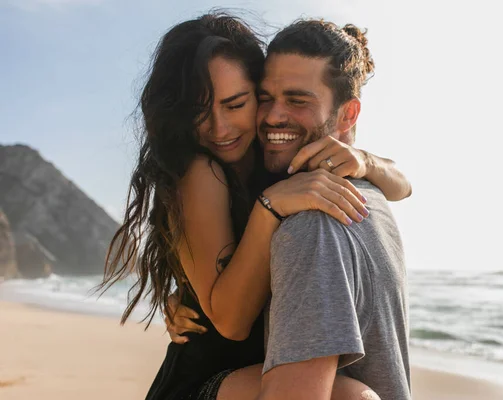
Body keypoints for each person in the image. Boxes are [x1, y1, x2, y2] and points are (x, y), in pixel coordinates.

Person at [99, 13, 411, 400]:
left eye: (236, 104)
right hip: (205, 383)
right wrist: (268, 209)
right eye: (200, 110)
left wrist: (366, 161)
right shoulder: (200, 171)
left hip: (263, 372)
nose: (219, 128)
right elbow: (229, 322)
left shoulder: (273, 156)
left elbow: (403, 186)